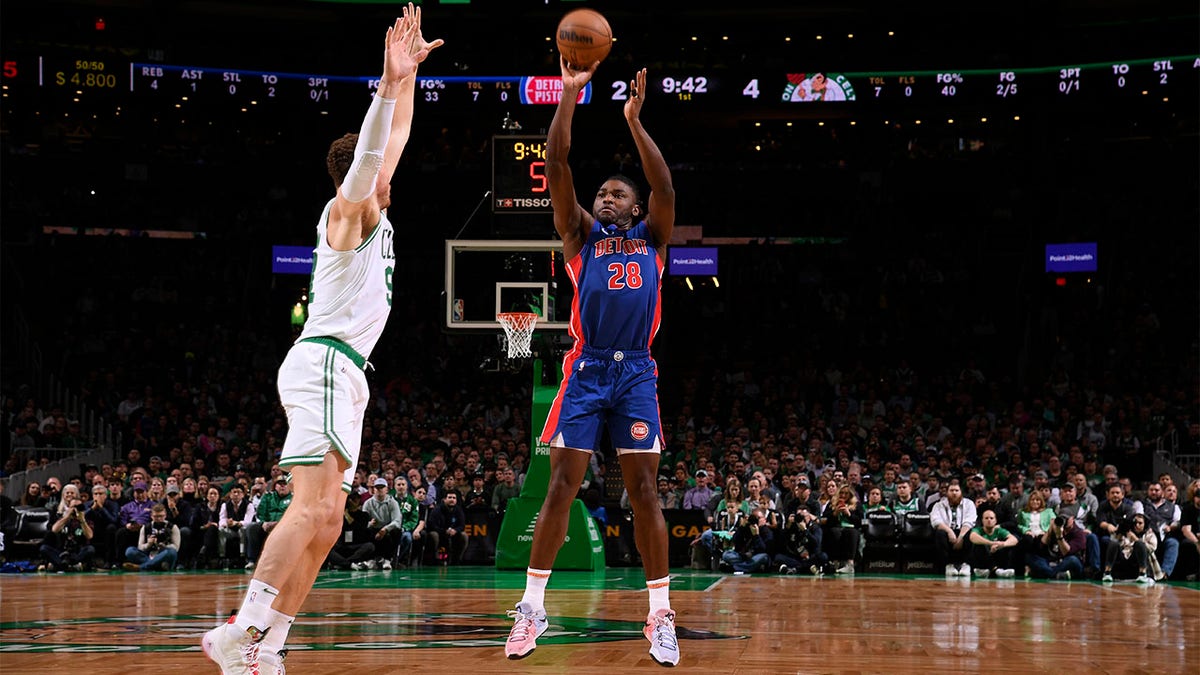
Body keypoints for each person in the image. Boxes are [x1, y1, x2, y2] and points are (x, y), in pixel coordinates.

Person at [202, 10, 441, 675]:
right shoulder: (349, 210)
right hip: (325, 363)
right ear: (353, 178)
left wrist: (411, 77)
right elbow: (373, 151)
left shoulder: (376, 200)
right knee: (312, 509)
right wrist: (385, 84)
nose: (391, 167)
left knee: (331, 520)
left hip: (345, 372)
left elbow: (392, 138)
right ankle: (239, 628)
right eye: (376, 167)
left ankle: (266, 649)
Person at [505, 59, 678, 668]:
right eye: (602, 192)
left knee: (645, 493)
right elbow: (556, 167)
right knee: (560, 487)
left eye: (617, 193)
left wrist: (633, 121)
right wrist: (569, 98)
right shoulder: (580, 237)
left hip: (636, 372)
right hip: (584, 370)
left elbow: (664, 189)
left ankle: (659, 614)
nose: (607, 196)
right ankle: (532, 608)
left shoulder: (653, 239)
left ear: (633, 208)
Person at [39, 488, 95, 572]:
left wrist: (82, 520)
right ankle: (69, 565)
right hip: (61, 551)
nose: (75, 509)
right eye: (73, 507)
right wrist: (67, 516)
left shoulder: (86, 518)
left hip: (77, 551)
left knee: (90, 549)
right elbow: (54, 530)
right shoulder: (61, 517)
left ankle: (63, 565)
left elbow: (89, 536)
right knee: (44, 548)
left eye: (78, 507)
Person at [930, 481, 977, 577]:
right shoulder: (938, 505)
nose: (954, 493)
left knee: (972, 533)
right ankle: (948, 565)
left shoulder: (969, 504)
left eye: (957, 490)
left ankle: (966, 565)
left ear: (961, 492)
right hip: (947, 534)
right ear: (947, 492)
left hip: (963, 532)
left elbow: (969, 521)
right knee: (939, 533)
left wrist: (960, 537)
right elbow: (936, 521)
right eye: (951, 490)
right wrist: (949, 531)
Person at [244, 478, 292, 571]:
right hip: (267, 524)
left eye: (285, 484)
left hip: (286, 525)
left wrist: (279, 523)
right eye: (279, 484)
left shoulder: (294, 498)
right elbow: (261, 513)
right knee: (251, 527)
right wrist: (264, 523)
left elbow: (294, 514)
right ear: (275, 486)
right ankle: (252, 561)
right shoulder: (267, 496)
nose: (282, 486)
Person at [122, 504, 181, 572]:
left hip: (165, 555)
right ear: (151, 516)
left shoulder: (173, 527)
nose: (158, 519)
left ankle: (141, 567)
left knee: (172, 552)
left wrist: (164, 546)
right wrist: (148, 544)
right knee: (129, 551)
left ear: (165, 515)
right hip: (150, 554)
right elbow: (140, 547)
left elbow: (176, 547)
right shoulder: (146, 527)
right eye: (156, 516)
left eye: (161, 516)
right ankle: (156, 565)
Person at [966, 508, 1017, 578]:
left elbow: (1014, 540)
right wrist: (991, 543)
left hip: (996, 557)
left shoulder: (999, 530)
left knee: (1008, 545)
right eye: (986, 518)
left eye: (991, 518)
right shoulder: (978, 530)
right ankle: (994, 570)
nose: (989, 520)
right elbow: (972, 537)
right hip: (981, 560)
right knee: (979, 545)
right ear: (982, 521)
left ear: (995, 521)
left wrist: (1002, 544)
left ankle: (998, 569)